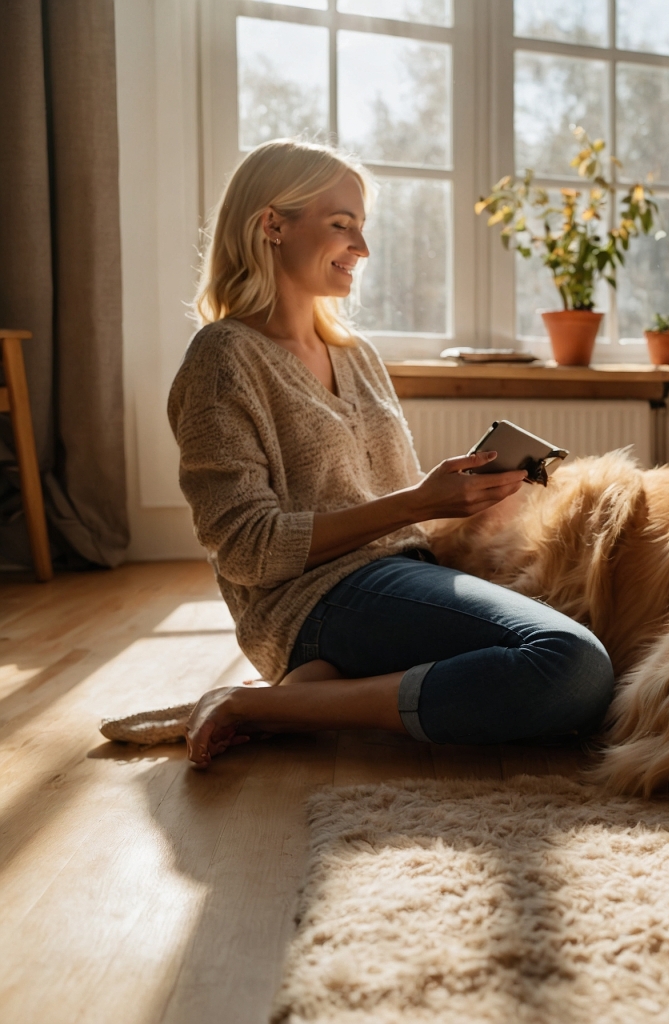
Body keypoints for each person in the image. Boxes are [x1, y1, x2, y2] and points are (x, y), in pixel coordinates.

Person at [169, 139, 615, 767]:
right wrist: (416, 501)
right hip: (311, 604)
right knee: (573, 666)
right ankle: (260, 704)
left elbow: (397, 515)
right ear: (273, 224)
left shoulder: (358, 355)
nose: (362, 248)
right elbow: (246, 550)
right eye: (341, 225)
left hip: (404, 577)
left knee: (599, 658)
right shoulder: (224, 358)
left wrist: (468, 502)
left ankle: (323, 695)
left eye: (362, 227)